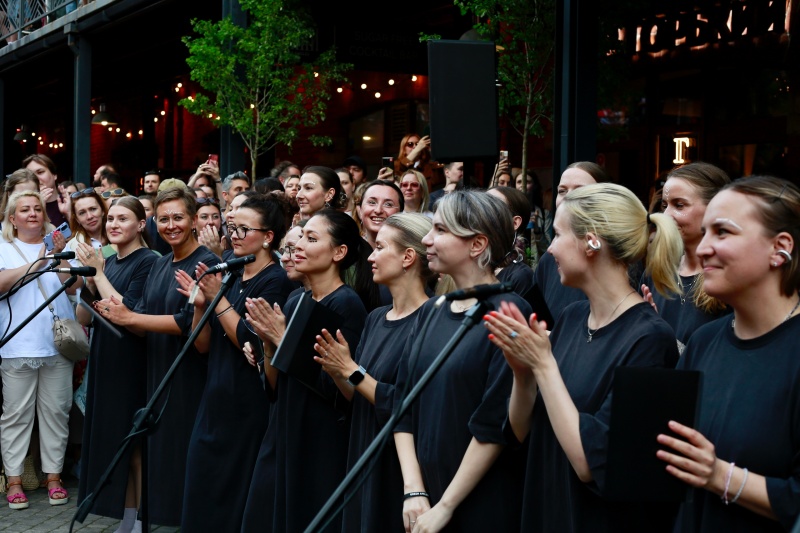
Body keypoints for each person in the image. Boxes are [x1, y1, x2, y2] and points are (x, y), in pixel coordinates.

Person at [484, 183, 682, 531]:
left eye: (558, 235)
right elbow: (519, 431)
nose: (550, 249)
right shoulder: (573, 317)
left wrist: (544, 365)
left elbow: (590, 462)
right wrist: (522, 372)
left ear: (591, 242)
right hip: (546, 508)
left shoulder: (649, 338)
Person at [656, 175, 800, 532]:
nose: (703, 248)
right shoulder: (704, 342)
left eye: (722, 232)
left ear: (780, 248)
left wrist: (721, 476)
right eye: (704, 232)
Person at [393, 191, 531, 532]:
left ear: (476, 245)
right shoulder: (432, 310)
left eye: (440, 230)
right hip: (424, 500)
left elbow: (495, 423)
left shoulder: (508, 312)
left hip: (479, 502)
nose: (427, 238)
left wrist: (446, 505)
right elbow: (403, 404)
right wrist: (415, 489)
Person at [95, 186, 219, 527]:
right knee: (158, 460)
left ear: (194, 220)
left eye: (178, 217)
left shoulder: (206, 261)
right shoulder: (162, 264)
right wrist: (122, 312)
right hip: (157, 373)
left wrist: (130, 317)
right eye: (163, 219)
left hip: (190, 375)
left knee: (183, 461)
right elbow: (144, 317)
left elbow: (185, 322)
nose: (171, 225)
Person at [240, 210, 369, 533]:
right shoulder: (296, 298)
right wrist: (268, 346)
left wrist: (282, 339)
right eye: (300, 237)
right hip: (283, 426)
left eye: (312, 239)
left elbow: (334, 388)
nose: (297, 245)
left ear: (339, 253)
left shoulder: (346, 304)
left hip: (319, 437)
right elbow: (274, 386)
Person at [177, 194, 294, 533]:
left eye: (244, 229)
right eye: (232, 229)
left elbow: (250, 341)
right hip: (215, 397)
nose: (235, 236)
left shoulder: (276, 280)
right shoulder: (229, 270)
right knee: (202, 487)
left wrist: (217, 299)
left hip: (249, 403)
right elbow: (202, 345)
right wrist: (201, 305)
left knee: (235, 496)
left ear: (268, 236)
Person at [313, 213, 433, 532]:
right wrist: (337, 368)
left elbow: (405, 403)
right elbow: (355, 395)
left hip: (400, 465)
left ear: (408, 257)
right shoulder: (376, 318)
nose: (370, 256)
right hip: (362, 452)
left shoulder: (432, 321)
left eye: (379, 247)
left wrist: (350, 369)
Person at [76, 197, 157, 533]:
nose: (113, 224)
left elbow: (131, 309)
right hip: (105, 357)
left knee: (134, 443)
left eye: (123, 218)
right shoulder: (109, 262)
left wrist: (99, 274)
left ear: (141, 224)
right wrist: (91, 281)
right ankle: (126, 518)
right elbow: (85, 316)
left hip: (132, 359)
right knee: (116, 441)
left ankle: (138, 519)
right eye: (110, 219)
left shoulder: (149, 261)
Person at [0, 191, 77, 510]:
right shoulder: (3, 246)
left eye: (36, 208)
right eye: (24, 210)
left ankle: (54, 477)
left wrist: (60, 258)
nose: (32, 213)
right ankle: (14, 480)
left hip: (58, 344)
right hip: (17, 343)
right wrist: (38, 262)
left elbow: (74, 288)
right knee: (16, 415)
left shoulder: (60, 245)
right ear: (12, 218)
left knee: (57, 413)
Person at [641, 161, 732, 350]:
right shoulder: (656, 272)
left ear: (714, 208)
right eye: (664, 205)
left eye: (679, 205)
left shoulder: (729, 277)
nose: (666, 215)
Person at [532, 161, 610, 327]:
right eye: (562, 191)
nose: (568, 197)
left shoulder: (615, 256)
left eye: (580, 190)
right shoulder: (548, 260)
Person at [487, 186, 535, 303]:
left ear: (514, 223)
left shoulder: (520, 276)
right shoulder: (471, 264)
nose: (481, 210)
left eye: (492, 205)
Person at [23, 154, 68, 226]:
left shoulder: (68, 202)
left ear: (54, 175)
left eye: (40, 172)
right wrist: (39, 207)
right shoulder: (23, 208)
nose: (36, 178)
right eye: (31, 175)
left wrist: (69, 214)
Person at [65, 188, 109, 257]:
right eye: (82, 213)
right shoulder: (71, 248)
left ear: (102, 211)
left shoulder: (118, 237)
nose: (89, 216)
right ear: (77, 219)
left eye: (93, 209)